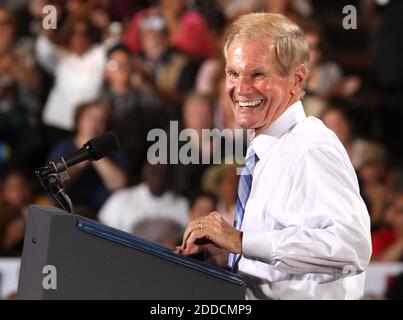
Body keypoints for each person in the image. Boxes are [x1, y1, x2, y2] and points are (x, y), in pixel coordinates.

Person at [177, 13, 371, 300]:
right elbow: (283, 263)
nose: (241, 89)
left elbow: (351, 245)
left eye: (257, 74)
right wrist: (227, 257)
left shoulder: (310, 147)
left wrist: (242, 240)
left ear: (297, 79)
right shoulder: (265, 152)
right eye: (233, 73)